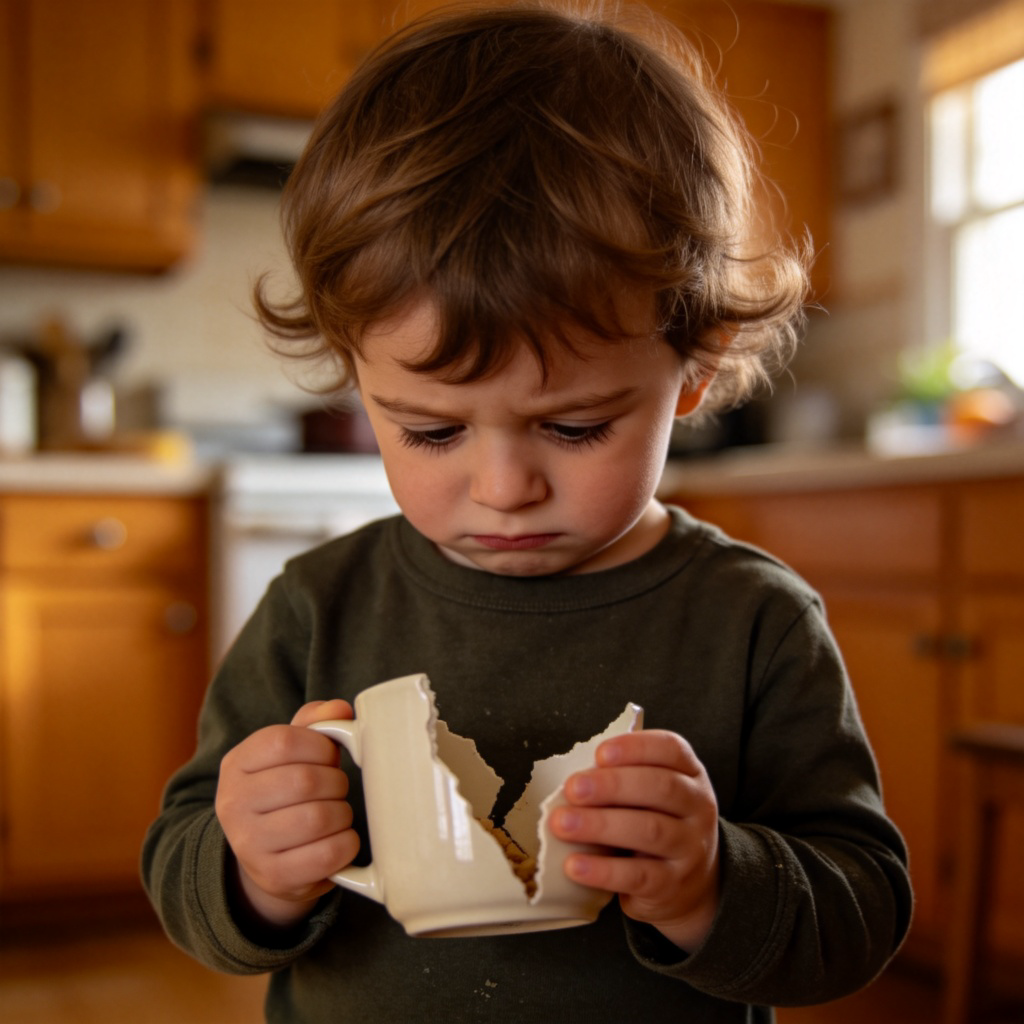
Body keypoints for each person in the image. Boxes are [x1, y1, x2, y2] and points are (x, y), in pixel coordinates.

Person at [141, 3, 912, 1021]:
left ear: (694, 369)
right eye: (429, 431)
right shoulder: (318, 606)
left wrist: (710, 881)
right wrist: (254, 871)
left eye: (576, 427)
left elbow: (858, 911)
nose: (503, 488)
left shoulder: (753, 622)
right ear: (355, 381)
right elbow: (184, 863)